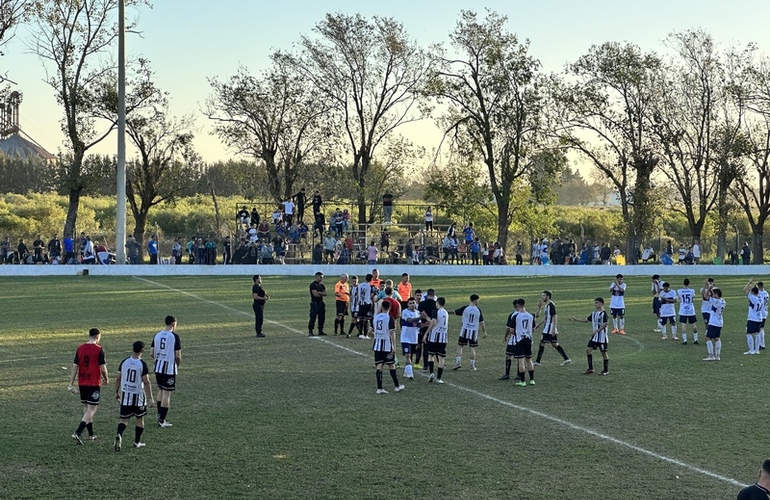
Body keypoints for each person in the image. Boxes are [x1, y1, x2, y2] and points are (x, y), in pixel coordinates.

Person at [68, 327, 109, 445]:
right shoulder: (99, 349)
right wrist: (106, 378)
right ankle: (78, 432)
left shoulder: (80, 348)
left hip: (82, 381)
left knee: (86, 408)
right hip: (93, 382)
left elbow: (75, 366)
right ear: (97, 336)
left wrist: (71, 383)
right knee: (92, 409)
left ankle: (91, 434)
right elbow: (103, 367)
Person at [113, 340, 154, 451]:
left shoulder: (124, 362)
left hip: (125, 395)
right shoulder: (142, 364)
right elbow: (146, 381)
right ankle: (137, 442)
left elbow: (118, 378)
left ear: (132, 349)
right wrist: (151, 398)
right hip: (138, 396)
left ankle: (119, 434)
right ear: (142, 351)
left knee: (124, 419)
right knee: (140, 419)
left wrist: (116, 392)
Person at [151, 315, 182, 427]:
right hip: (168, 368)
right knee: (167, 394)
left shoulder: (157, 335)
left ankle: (159, 415)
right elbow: (178, 356)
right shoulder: (174, 337)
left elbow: (151, 353)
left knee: (161, 390)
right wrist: (177, 366)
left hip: (158, 367)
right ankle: (162, 420)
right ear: (174, 324)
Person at [570, 297, 610, 376]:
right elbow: (587, 320)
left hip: (602, 338)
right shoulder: (594, 313)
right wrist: (576, 319)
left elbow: (605, 324)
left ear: (601, 303)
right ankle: (591, 368)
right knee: (588, 350)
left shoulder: (604, 313)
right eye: (595, 303)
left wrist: (596, 331)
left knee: (604, 354)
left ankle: (606, 370)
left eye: (597, 303)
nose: (595, 304)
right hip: (594, 338)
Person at [371, 301, 404, 394]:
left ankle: (379, 388)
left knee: (379, 365)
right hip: (387, 345)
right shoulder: (390, 318)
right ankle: (397, 386)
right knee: (391, 365)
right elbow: (392, 332)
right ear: (389, 308)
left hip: (377, 345)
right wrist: (393, 345)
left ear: (382, 308)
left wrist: (376, 336)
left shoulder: (376, 317)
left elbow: (370, 331)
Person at [501, 298, 535, 385]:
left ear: (517, 305)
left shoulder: (515, 316)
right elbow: (533, 328)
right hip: (528, 339)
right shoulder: (530, 316)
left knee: (520, 360)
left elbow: (511, 330)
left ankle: (522, 380)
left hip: (519, 340)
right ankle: (531, 380)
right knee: (529, 359)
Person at [534, 291, 571, 366]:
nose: (542, 297)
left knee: (542, 343)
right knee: (554, 344)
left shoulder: (551, 305)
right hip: (547, 328)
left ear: (548, 296)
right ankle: (566, 359)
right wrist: (539, 324)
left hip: (549, 329)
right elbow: (547, 318)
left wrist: (553, 328)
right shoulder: (547, 305)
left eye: (544, 295)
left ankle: (537, 361)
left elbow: (554, 316)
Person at [451, 294, 486, 371]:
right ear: (476, 300)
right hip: (473, 332)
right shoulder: (478, 310)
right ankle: (472, 366)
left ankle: (458, 363)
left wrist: (445, 311)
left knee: (460, 346)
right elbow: (481, 322)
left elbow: (454, 312)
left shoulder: (465, 308)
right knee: (472, 348)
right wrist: (484, 332)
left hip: (464, 330)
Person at [426, 297, 449, 384]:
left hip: (434, 337)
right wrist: (428, 318)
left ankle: (431, 372)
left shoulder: (435, 311)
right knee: (441, 358)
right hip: (443, 338)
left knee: (431, 355)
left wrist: (426, 333)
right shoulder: (446, 313)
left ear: (437, 303)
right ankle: (439, 378)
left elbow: (434, 322)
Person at [702, 282, 725, 361]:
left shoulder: (715, 301)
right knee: (716, 338)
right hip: (719, 322)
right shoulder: (722, 301)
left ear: (716, 294)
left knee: (708, 338)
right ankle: (717, 356)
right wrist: (711, 289)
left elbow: (705, 296)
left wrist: (709, 288)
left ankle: (711, 355)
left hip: (713, 322)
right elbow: (711, 295)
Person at [400, 297, 421, 380]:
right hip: (405, 338)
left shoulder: (418, 312)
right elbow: (410, 320)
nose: (412, 305)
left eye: (413, 303)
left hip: (414, 338)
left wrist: (427, 324)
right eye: (410, 303)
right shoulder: (405, 312)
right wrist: (420, 318)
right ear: (408, 304)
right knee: (408, 355)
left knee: (410, 355)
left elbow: (418, 325)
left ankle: (406, 371)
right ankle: (410, 374)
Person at [743, 279, 763, 355]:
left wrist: (749, 283)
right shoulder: (760, 297)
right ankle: (757, 350)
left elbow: (744, 290)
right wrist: (754, 285)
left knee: (749, 333)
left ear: (752, 292)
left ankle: (751, 350)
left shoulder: (752, 297)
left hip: (752, 318)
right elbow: (756, 291)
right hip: (759, 318)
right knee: (757, 333)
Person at [677, 279, 699, 345]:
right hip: (691, 310)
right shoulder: (692, 291)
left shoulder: (679, 291)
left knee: (683, 325)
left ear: (683, 283)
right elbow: (692, 298)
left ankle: (685, 340)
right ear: (689, 283)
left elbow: (679, 298)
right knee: (694, 325)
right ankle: (696, 339)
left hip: (683, 310)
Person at [355, 274, 375, 339]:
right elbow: (371, 295)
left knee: (361, 319)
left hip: (360, 303)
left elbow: (357, 294)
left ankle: (360, 333)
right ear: (371, 279)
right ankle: (366, 335)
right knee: (366, 320)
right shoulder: (370, 286)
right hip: (367, 304)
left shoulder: (359, 285)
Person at [308, 272, 327, 336]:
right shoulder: (313, 285)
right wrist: (321, 293)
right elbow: (315, 294)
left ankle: (320, 330)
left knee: (322, 318)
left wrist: (319, 293)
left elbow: (325, 294)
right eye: (320, 277)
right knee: (313, 317)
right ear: (317, 276)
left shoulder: (322, 285)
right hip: (314, 304)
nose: (321, 278)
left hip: (321, 303)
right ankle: (310, 331)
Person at [758, 282, 768, 351]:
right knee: (761, 328)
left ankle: (761, 344)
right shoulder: (766, 293)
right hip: (765, 312)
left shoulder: (759, 294)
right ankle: (761, 344)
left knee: (760, 329)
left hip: (760, 313)